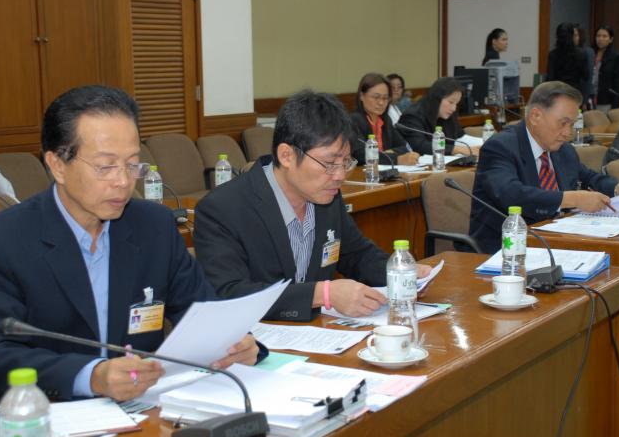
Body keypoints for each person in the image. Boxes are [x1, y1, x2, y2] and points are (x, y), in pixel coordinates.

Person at [0, 85, 262, 408]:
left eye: (132, 165)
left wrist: (239, 344)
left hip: (141, 410)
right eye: (105, 166)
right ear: (57, 165)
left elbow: (204, 313)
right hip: (41, 414)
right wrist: (91, 376)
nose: (123, 181)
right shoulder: (1, 240)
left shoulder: (154, 226)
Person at [193, 89, 431, 321]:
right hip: (254, 338)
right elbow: (228, 294)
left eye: (345, 162)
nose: (339, 175)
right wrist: (322, 294)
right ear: (286, 155)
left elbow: (355, 253)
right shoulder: (222, 209)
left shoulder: (326, 195)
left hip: (318, 335)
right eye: (329, 163)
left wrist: (399, 274)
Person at [469, 81, 619, 254]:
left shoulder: (563, 149)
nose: (568, 133)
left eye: (571, 125)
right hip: (505, 250)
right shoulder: (500, 146)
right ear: (535, 116)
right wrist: (572, 199)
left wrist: (618, 188)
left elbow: (588, 177)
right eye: (563, 123)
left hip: (556, 241)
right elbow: (511, 194)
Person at [397, 77, 480, 156]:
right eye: (451, 102)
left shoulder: (447, 114)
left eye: (456, 104)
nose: (454, 108)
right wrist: (457, 149)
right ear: (437, 98)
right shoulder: (412, 116)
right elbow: (420, 146)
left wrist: (484, 144)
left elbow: (460, 137)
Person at [350, 73, 419, 166]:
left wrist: (385, 154)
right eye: (376, 97)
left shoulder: (385, 120)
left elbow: (404, 147)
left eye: (385, 98)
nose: (381, 102)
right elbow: (361, 155)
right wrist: (396, 159)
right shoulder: (353, 121)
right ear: (361, 96)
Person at [546, 22, 589, 96]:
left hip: (558, 92)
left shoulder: (553, 54)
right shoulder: (581, 53)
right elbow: (586, 76)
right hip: (575, 92)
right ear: (572, 35)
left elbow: (550, 78)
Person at [592, 25, 619, 108]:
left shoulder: (616, 56)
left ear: (611, 39)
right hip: (590, 98)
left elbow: (618, 82)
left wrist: (615, 104)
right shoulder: (590, 53)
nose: (600, 39)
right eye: (598, 36)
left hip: (606, 100)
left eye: (604, 36)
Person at [573, 24, 596, 108]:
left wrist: (585, 100)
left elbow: (588, 77)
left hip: (585, 95)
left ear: (581, 36)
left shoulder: (588, 51)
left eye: (575, 35)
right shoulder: (569, 52)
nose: (572, 38)